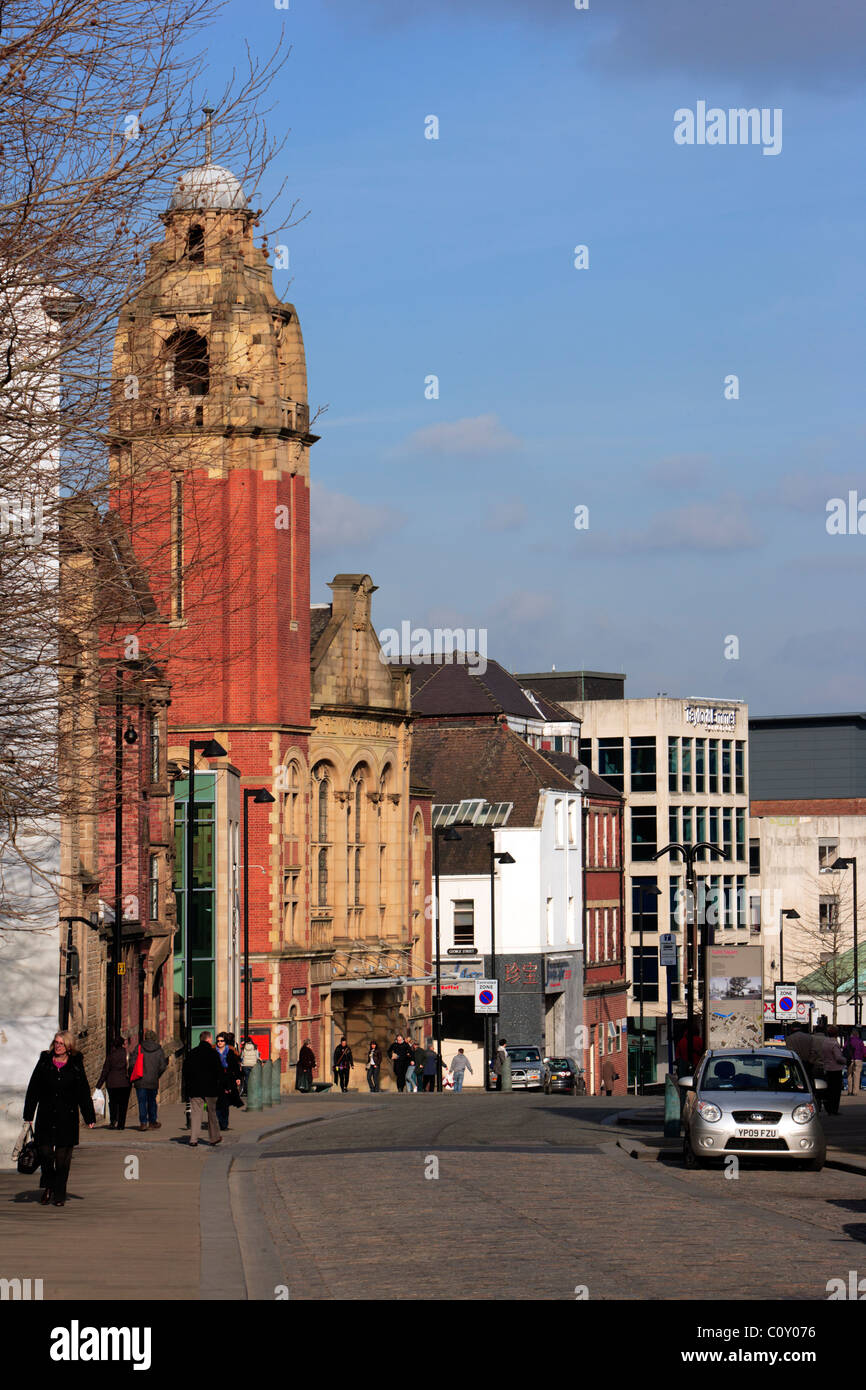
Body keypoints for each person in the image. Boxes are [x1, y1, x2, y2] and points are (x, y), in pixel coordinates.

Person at [23, 1030, 95, 1207]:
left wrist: (89, 1116)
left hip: (66, 1117)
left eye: (61, 1043)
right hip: (46, 1115)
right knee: (46, 1154)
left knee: (62, 1159)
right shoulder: (45, 1062)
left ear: (69, 1046)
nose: (57, 1046)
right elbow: (33, 1089)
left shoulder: (76, 1065)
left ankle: (59, 1193)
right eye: (56, 1042)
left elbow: (83, 1092)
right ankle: (48, 1186)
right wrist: (28, 1115)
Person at [183, 1031, 226, 1146]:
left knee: (196, 1114)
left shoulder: (192, 1053)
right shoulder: (213, 1053)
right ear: (208, 1039)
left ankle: (193, 1139)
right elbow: (219, 1072)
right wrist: (222, 1086)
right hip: (210, 1088)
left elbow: (185, 1072)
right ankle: (214, 1137)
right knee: (212, 1113)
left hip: (195, 1088)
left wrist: (187, 1086)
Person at [132, 1029, 168, 1131]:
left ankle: (143, 1123)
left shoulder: (139, 1048)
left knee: (142, 1102)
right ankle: (152, 1121)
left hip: (140, 1080)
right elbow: (162, 1066)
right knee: (152, 1101)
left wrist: (135, 1075)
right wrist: (156, 1075)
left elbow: (132, 1063)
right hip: (153, 1081)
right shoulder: (159, 1050)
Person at [96, 1034, 132, 1130]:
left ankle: (113, 1121)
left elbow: (105, 1070)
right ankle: (121, 1124)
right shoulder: (126, 1054)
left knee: (113, 1103)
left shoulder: (111, 1055)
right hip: (125, 1083)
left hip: (112, 1083)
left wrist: (99, 1084)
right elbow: (131, 1067)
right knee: (123, 1105)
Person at [814, 1025, 846, 1116]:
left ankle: (828, 1108)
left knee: (828, 1090)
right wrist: (845, 1060)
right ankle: (834, 1109)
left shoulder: (825, 1042)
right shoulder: (834, 1044)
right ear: (836, 1034)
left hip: (827, 1068)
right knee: (835, 1091)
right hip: (835, 1069)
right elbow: (838, 1057)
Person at [214, 1031, 242, 1129]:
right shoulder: (213, 1052)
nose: (219, 1043)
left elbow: (235, 1066)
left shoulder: (230, 1052)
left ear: (225, 1042)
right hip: (217, 1080)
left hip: (228, 1079)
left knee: (225, 1102)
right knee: (218, 1102)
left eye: (221, 1041)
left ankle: (224, 1123)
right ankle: (219, 1119)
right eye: (218, 1041)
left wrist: (238, 1077)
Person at [845, 1028, 865, 1096]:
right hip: (858, 1059)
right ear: (857, 1034)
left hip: (850, 1059)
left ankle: (849, 1091)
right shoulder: (860, 1041)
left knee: (849, 1075)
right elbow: (864, 1051)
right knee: (857, 1075)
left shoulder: (848, 1041)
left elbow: (844, 1049)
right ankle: (855, 1091)